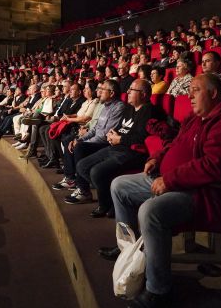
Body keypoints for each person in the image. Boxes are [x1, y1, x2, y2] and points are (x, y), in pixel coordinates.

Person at [103, 74, 221, 308]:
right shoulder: (196, 118)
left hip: (200, 193)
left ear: (214, 93)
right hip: (170, 180)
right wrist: (157, 158)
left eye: (195, 90)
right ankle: (130, 254)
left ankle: (158, 291)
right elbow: (174, 143)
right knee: (119, 186)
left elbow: (214, 165)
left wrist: (170, 180)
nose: (189, 95)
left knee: (150, 211)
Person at [64, 79, 156, 217]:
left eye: (132, 89)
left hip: (132, 152)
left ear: (143, 94)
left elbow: (143, 138)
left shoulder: (149, 111)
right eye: (129, 89)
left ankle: (106, 205)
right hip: (116, 147)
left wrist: (120, 139)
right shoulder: (129, 108)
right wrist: (112, 135)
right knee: (82, 166)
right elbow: (119, 128)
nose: (128, 92)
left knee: (96, 172)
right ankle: (112, 200)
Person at [51, 80, 124, 192]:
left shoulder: (118, 107)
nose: (99, 91)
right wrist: (80, 139)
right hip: (96, 139)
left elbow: (104, 135)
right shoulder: (105, 107)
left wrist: (83, 142)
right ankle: (72, 179)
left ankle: (83, 190)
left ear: (112, 93)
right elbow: (95, 129)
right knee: (73, 141)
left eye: (103, 89)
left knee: (79, 147)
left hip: (104, 143)